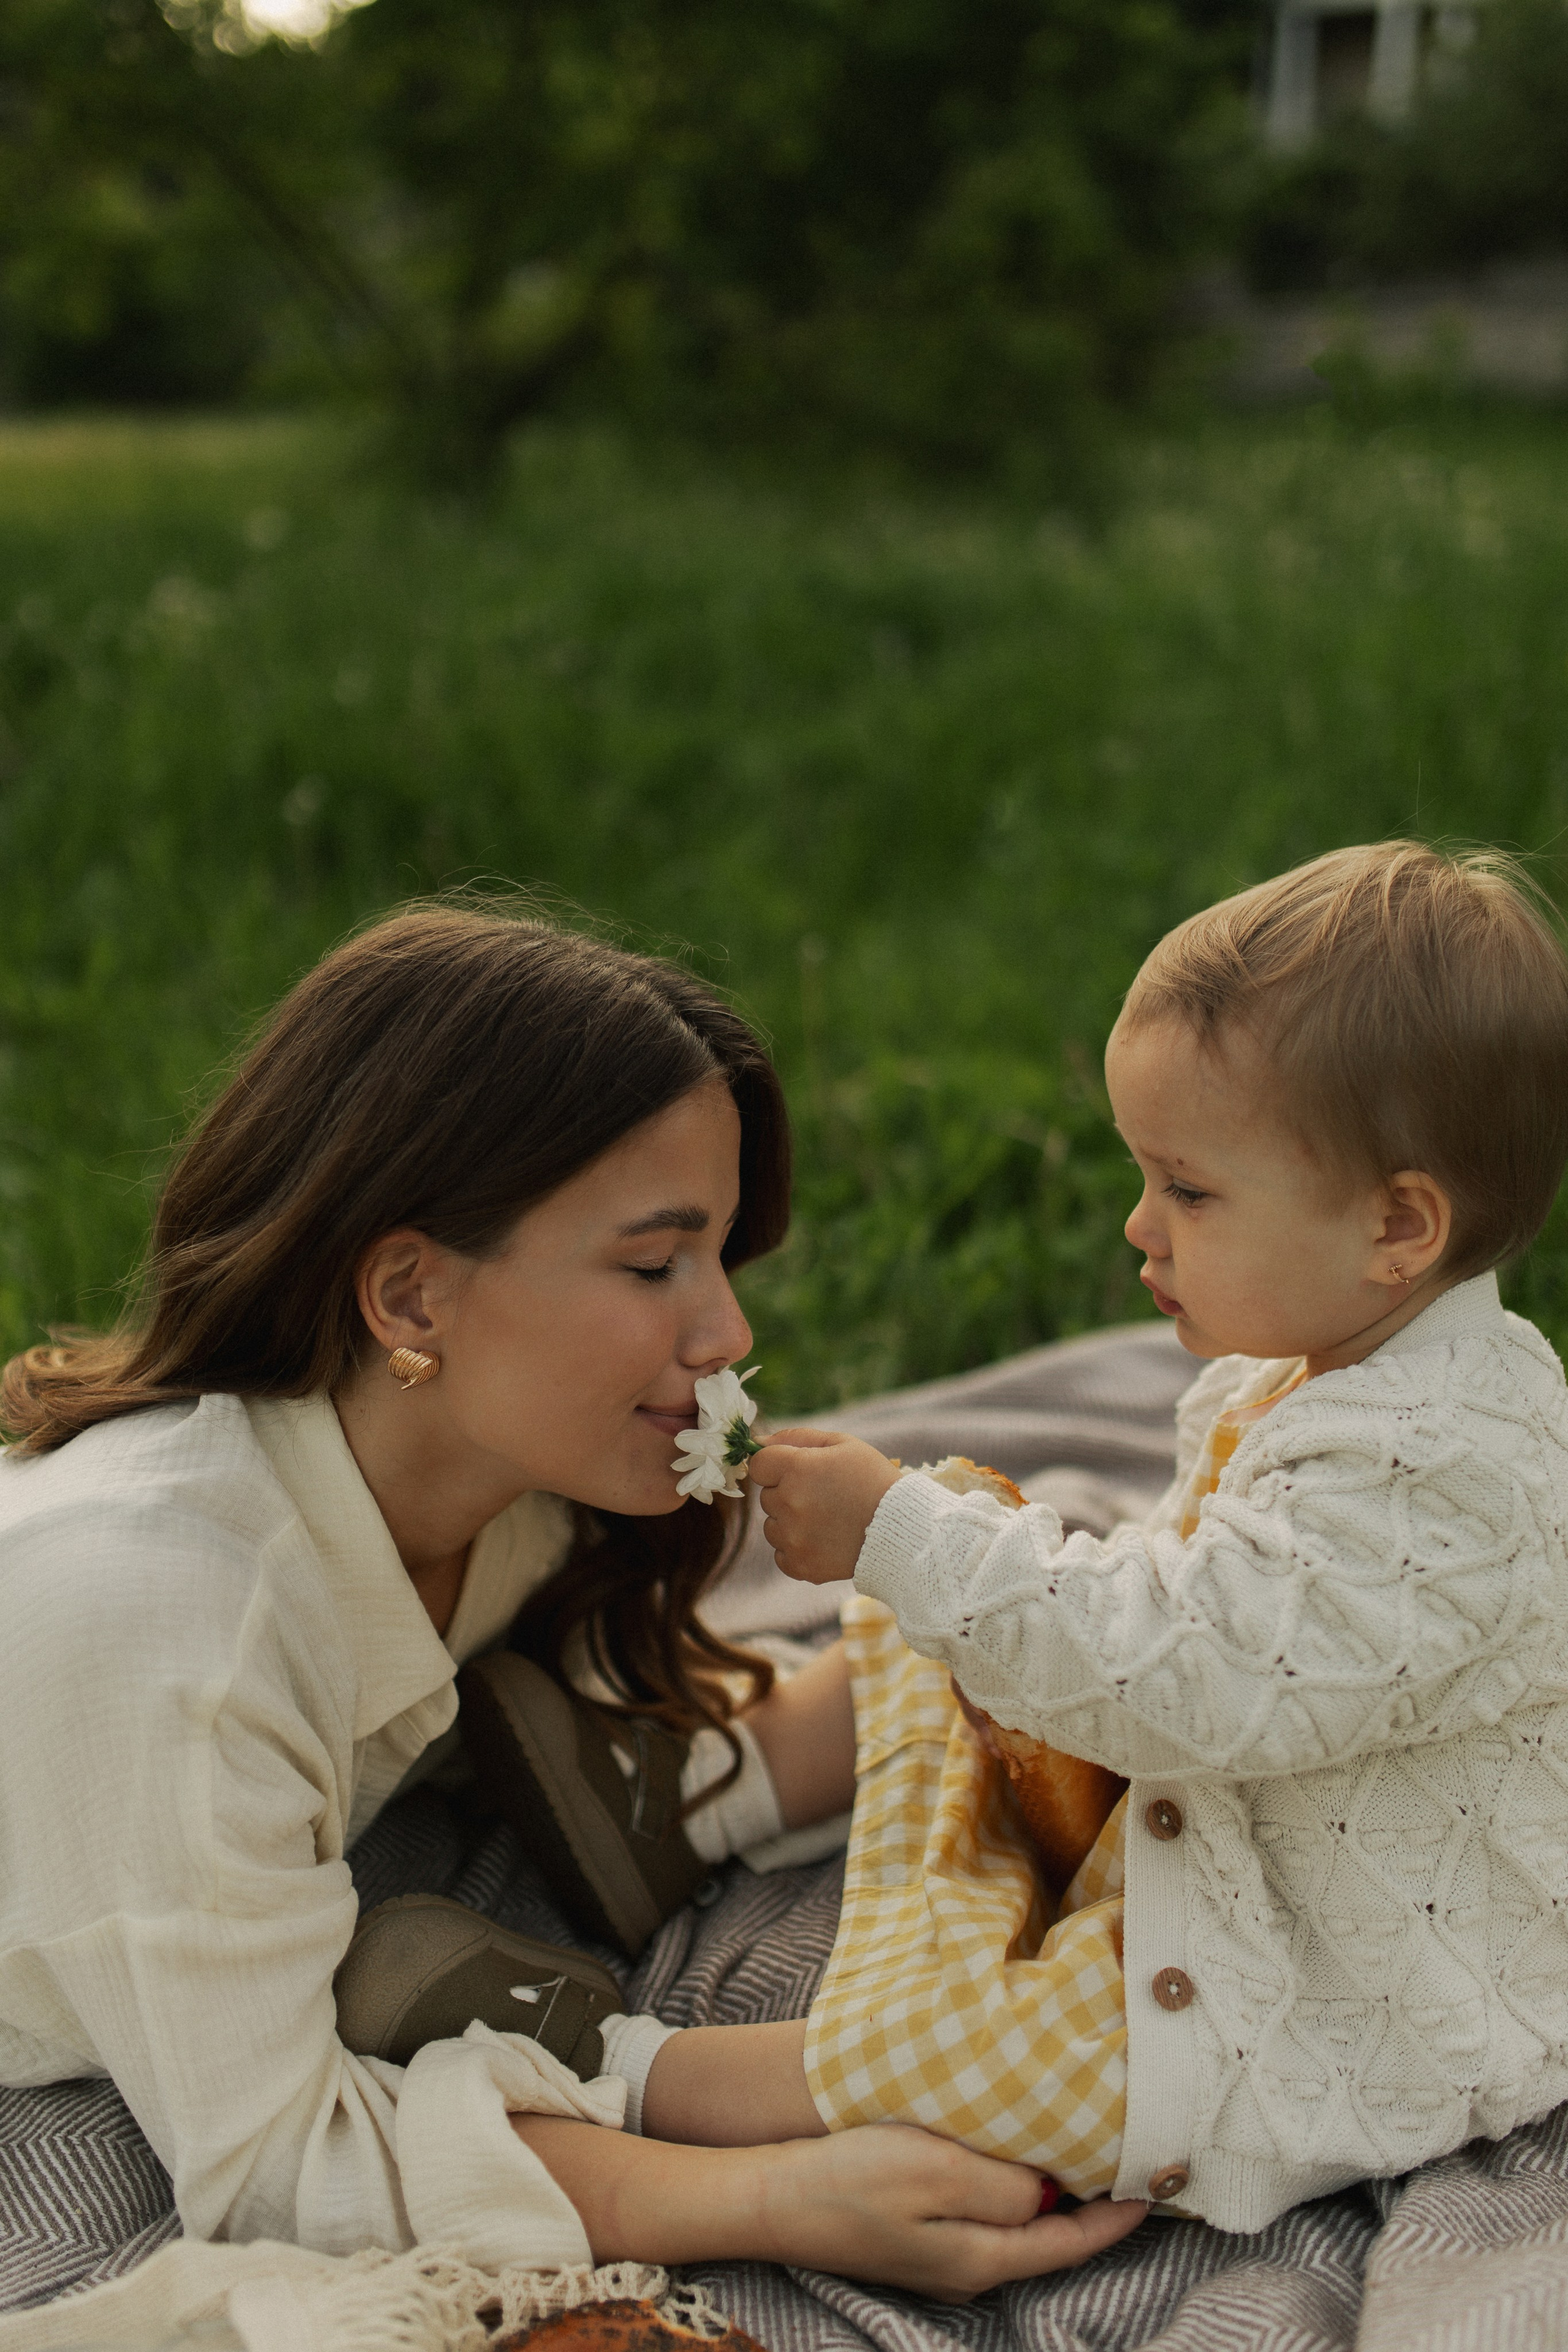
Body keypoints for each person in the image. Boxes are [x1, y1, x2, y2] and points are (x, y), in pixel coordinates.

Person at [0, 900, 1142, 2298]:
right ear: (410, 1297)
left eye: (719, 1256)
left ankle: (636, 1803)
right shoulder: (169, 1634)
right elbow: (285, 2170)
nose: (727, 1331)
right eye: (652, 1264)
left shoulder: (508, 1477)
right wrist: (778, 2196)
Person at [589, 841, 1568, 2235]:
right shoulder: (1310, 1360)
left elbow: (1195, 1676)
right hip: (1200, 1802)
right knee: (945, 1568)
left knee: (996, 2054)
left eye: (1189, 1191)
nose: (1137, 1226)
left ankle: (616, 2073)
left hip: (1295, 1994)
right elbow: (1169, 1608)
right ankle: (699, 1801)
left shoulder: (1444, 1477)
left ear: (1396, 1227)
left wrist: (908, 1539)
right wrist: (935, 1551)